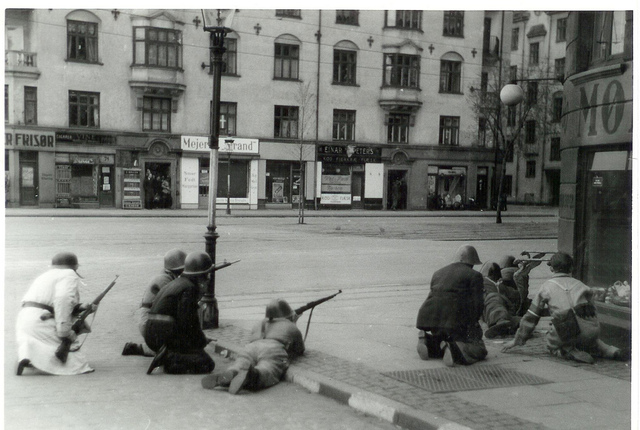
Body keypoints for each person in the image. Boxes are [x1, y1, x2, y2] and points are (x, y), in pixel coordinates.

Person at [502, 252, 630, 364]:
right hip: (591, 330)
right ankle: (612, 351)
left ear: (552, 269)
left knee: (551, 343)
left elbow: (531, 317)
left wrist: (517, 340)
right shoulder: (582, 285)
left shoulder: (546, 287)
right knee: (595, 342)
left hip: (566, 332)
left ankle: (566, 351)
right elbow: (593, 311)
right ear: (571, 268)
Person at [15, 252, 96, 375]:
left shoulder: (44, 276)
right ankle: (50, 363)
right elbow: (63, 300)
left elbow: (50, 302)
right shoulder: (69, 274)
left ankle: (28, 356)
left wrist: (80, 307)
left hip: (25, 320)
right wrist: (64, 331)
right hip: (40, 322)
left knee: (32, 340)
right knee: (73, 351)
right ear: (75, 266)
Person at [201, 298, 305, 394]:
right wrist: (294, 323)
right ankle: (252, 375)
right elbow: (300, 349)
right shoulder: (290, 326)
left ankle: (232, 372)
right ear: (288, 315)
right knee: (268, 368)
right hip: (273, 348)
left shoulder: (259, 323)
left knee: (241, 361)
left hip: (251, 347)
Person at [145, 251, 216, 375]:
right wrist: (201, 341)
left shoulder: (179, 282)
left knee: (198, 354)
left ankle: (169, 354)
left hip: (155, 332)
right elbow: (188, 323)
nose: (208, 278)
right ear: (201, 275)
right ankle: (169, 358)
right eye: (207, 274)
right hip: (162, 336)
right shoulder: (189, 289)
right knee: (207, 363)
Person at [416, 245, 487, 366]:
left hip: (429, 320)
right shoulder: (475, 275)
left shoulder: (438, 272)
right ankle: (453, 349)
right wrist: (474, 324)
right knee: (480, 349)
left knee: (444, 337)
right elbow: (477, 304)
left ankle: (427, 340)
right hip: (454, 320)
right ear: (471, 262)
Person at [122, 249, 187, 357]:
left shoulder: (165, 277)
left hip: (149, 320)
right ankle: (141, 348)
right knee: (176, 350)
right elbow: (175, 303)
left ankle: (146, 348)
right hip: (149, 322)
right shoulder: (164, 280)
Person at [482, 255, 541, 339]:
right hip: (498, 313)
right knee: (495, 300)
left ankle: (504, 322)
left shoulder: (497, 286)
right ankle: (502, 321)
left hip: (498, 313)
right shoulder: (495, 288)